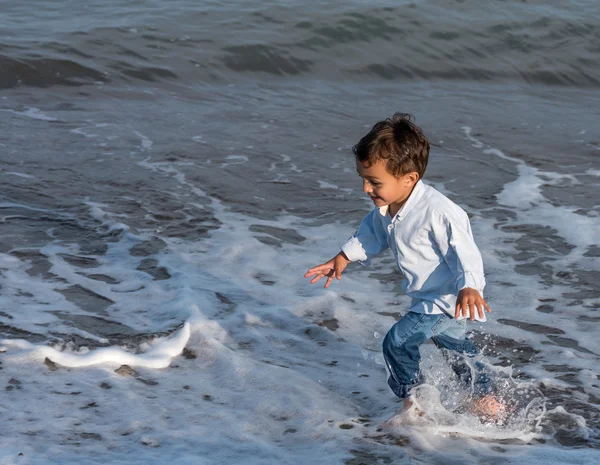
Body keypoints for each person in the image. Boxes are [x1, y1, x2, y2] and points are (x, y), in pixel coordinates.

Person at [304, 113, 503, 418]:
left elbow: (464, 250)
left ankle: (415, 400)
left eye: (374, 182)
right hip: (437, 299)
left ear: (408, 178)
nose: (366, 189)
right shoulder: (386, 209)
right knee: (456, 350)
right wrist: (343, 257)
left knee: (396, 344)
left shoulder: (439, 212)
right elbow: (370, 235)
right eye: (363, 179)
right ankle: (485, 397)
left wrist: (470, 285)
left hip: (441, 299)